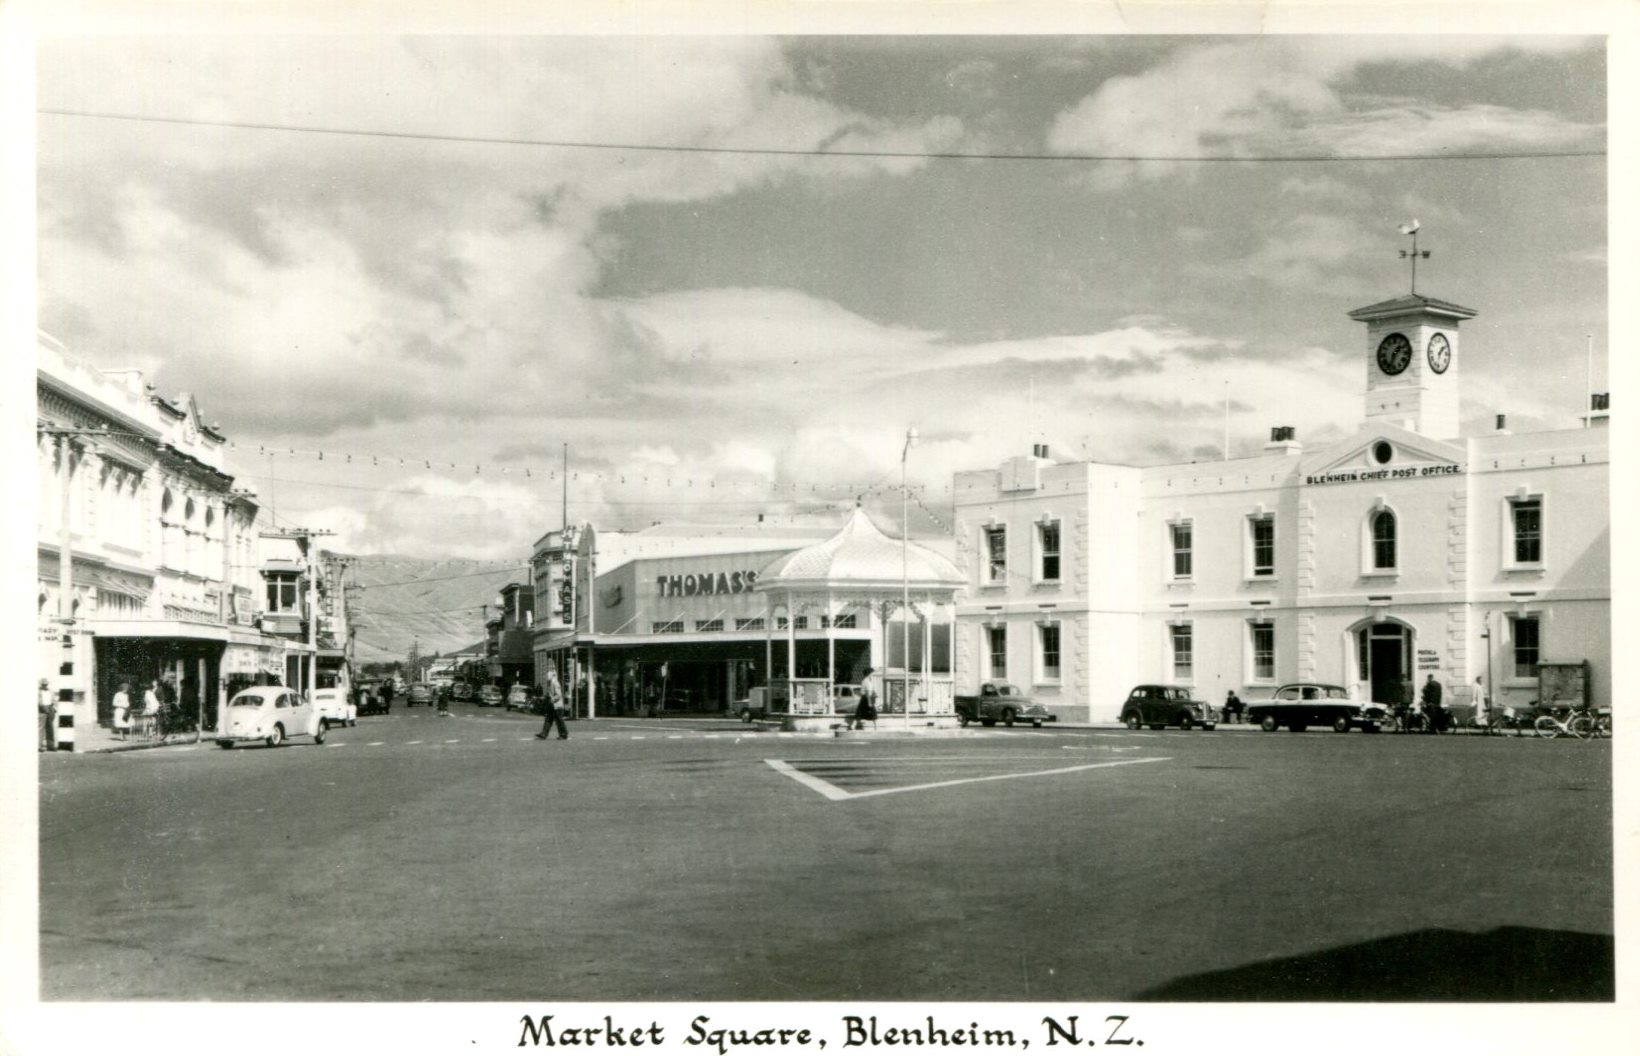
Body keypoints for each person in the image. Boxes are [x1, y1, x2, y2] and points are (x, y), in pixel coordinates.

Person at [536, 668, 568, 741]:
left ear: (552, 676)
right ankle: (543, 734)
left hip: (557, 705)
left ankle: (563, 734)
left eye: (548, 675)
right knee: (548, 719)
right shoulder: (550, 683)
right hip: (553, 705)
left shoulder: (555, 683)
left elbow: (558, 694)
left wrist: (552, 699)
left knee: (559, 721)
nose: (546, 677)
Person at [39, 679, 55, 752]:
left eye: (46, 684)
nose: (45, 685)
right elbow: (39, 702)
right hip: (41, 709)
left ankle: (51, 745)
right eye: (43, 684)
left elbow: (54, 700)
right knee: (41, 728)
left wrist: (53, 708)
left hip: (50, 708)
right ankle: (39, 746)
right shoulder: (38, 691)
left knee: (50, 728)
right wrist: (44, 709)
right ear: (41, 684)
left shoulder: (50, 691)